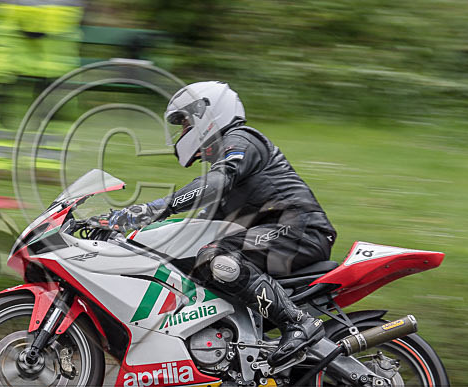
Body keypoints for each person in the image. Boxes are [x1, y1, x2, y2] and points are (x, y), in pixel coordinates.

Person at [89, 81, 337, 367]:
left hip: (299, 229)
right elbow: (193, 227)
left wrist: (151, 209)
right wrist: (123, 231)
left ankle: (299, 323)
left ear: (206, 114)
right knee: (192, 264)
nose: (182, 133)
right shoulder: (225, 165)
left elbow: (215, 182)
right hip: (271, 236)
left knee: (218, 257)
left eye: (185, 124)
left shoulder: (241, 140)